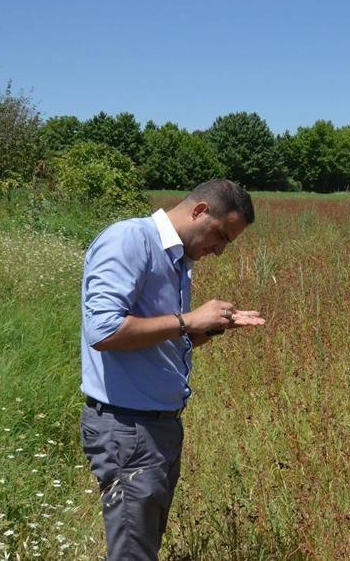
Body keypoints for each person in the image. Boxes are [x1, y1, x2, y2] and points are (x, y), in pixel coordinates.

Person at [79, 179, 265, 560]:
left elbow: (159, 338)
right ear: (199, 211)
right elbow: (103, 330)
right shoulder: (131, 240)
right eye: (221, 236)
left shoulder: (179, 260)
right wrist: (188, 320)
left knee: (142, 545)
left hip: (157, 426)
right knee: (133, 552)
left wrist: (206, 329)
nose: (220, 251)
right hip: (128, 427)